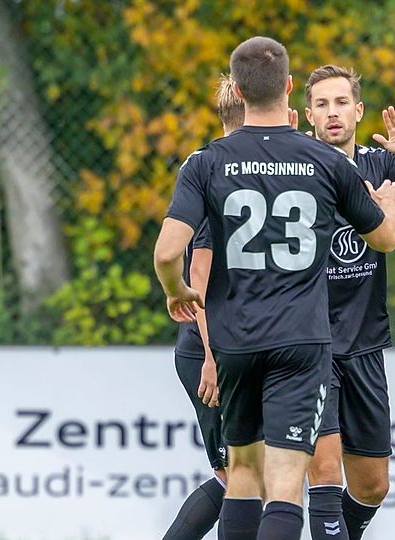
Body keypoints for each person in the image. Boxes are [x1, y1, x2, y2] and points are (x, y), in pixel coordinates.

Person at [154, 36, 395, 540]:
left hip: (234, 341)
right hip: (301, 341)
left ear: (240, 91)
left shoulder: (207, 162)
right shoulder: (325, 160)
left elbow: (166, 252)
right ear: (290, 89)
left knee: (244, 473)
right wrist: (394, 207)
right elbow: (383, 237)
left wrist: (175, 289)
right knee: (288, 481)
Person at [302, 64, 395, 540]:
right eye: (322, 105)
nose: (333, 113)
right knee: (324, 472)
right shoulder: (298, 168)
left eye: (341, 102)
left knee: (372, 486)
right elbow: (383, 232)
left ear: (359, 110)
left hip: (363, 340)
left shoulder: (379, 163)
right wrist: (381, 208)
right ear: (308, 115)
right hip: (309, 340)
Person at [160, 74, 242, 540]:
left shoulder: (224, 163)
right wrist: (211, 357)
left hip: (235, 345)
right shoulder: (217, 170)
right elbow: (199, 280)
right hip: (209, 347)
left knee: (248, 472)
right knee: (237, 474)